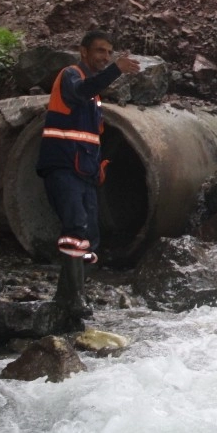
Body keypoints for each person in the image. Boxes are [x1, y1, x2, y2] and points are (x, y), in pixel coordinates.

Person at [36, 29, 141, 321]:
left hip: (83, 172)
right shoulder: (71, 76)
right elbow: (80, 93)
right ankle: (75, 299)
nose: (105, 57)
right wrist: (116, 71)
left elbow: (93, 137)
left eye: (109, 53)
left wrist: (100, 169)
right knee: (76, 227)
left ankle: (65, 299)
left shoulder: (95, 96)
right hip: (63, 166)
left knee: (90, 239)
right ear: (83, 52)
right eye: (100, 51)